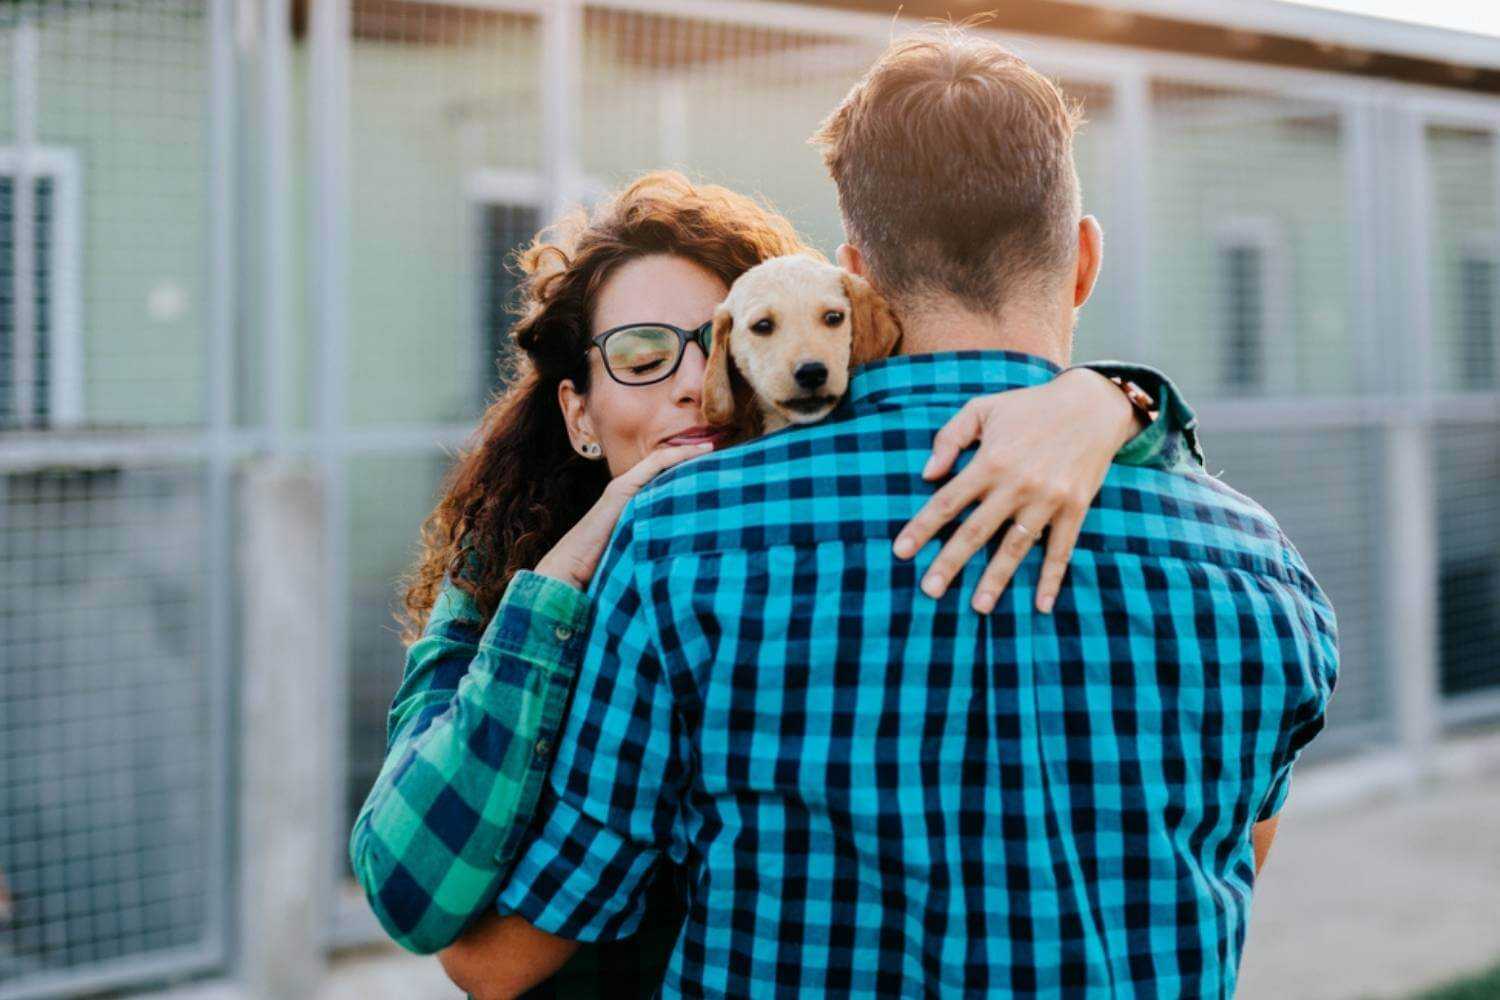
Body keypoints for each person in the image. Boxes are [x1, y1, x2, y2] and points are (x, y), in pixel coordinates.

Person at [440, 26, 1338, 1000]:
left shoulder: (680, 543)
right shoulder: (1259, 569)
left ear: (855, 274)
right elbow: (1237, 858)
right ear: (1083, 261)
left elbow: (502, 957)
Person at [348, 168, 1203, 996]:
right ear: (579, 413)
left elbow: (946, 413)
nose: (692, 384)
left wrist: (1116, 401)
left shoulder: (815, 543)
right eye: (642, 354)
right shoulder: (499, 569)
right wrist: (562, 574)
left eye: (722, 339)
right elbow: (418, 900)